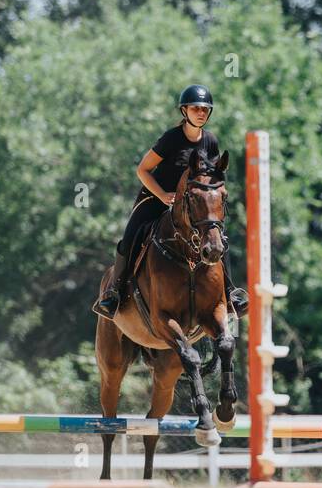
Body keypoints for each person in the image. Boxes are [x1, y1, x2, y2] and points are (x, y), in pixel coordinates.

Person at [94, 84, 246, 320]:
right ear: (184, 111)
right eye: (196, 108)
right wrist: (163, 196)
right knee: (130, 237)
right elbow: (143, 170)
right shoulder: (171, 138)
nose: (201, 113)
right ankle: (115, 293)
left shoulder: (211, 141)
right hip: (156, 197)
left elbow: (211, 177)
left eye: (205, 109)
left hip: (191, 205)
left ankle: (230, 293)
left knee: (217, 238)